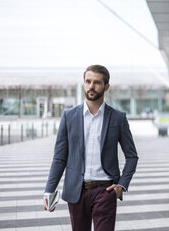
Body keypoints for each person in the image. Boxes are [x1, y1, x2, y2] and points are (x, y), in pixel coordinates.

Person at [44, 65, 139, 231]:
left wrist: (122, 185)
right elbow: (59, 157)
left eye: (97, 82)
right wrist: (49, 190)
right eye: (88, 81)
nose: (91, 86)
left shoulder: (118, 118)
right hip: (76, 190)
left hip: (105, 190)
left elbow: (132, 156)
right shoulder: (69, 116)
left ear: (106, 86)